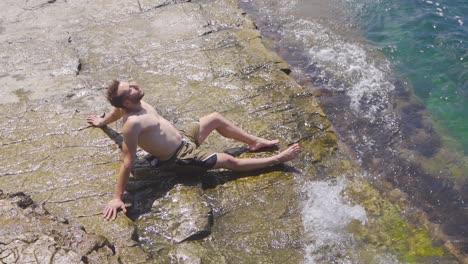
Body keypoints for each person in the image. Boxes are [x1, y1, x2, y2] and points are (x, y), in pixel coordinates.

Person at [86, 80, 301, 220]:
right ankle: (276, 160)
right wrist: (117, 197)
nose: (134, 84)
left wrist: (102, 122)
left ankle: (255, 143)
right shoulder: (132, 123)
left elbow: (114, 111)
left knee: (215, 117)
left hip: (184, 137)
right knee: (229, 161)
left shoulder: (135, 102)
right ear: (126, 100)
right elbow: (127, 161)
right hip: (180, 157)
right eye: (129, 88)